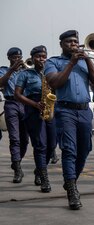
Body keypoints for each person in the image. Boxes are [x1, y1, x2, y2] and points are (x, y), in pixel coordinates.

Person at [44, 30, 94, 209]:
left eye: (76, 42)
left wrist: (88, 60)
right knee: (69, 150)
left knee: (84, 150)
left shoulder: (85, 61)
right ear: (61, 44)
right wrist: (72, 63)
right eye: (69, 42)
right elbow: (54, 83)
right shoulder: (53, 62)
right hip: (65, 110)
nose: (73, 45)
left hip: (84, 111)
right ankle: (72, 190)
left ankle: (71, 180)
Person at [14, 45, 57, 193]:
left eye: (44, 56)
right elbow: (17, 95)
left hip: (49, 108)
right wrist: (34, 104)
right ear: (32, 58)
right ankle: (44, 179)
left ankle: (39, 170)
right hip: (33, 110)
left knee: (52, 145)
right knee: (40, 146)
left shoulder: (51, 72)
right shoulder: (25, 74)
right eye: (38, 56)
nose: (41, 59)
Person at [0, 47, 29, 184]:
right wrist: (12, 69)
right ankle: (17, 168)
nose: (17, 59)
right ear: (9, 58)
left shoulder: (26, 71)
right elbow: (1, 83)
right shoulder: (4, 70)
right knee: (14, 138)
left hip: (25, 104)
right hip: (11, 103)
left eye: (19, 57)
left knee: (24, 139)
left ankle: (17, 160)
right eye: (14, 57)